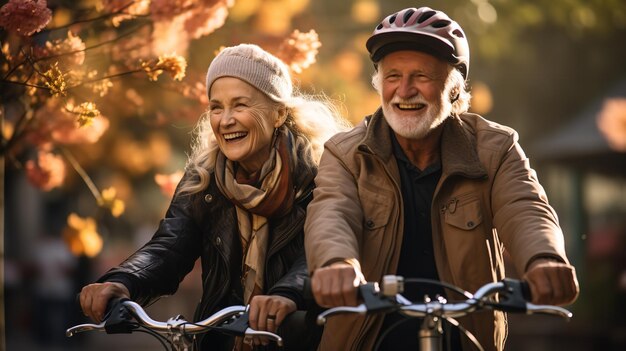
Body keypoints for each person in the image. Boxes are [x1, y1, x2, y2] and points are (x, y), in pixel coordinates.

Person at [304, 6, 579, 351]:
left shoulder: (495, 148)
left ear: (454, 88)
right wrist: (336, 263)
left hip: (465, 339)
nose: (404, 91)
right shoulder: (346, 153)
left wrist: (545, 259)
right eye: (392, 77)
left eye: (421, 76)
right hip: (366, 340)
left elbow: (524, 207)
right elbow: (332, 212)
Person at [79, 43, 349, 350]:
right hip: (221, 340)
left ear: (278, 114)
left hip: (300, 338)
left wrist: (287, 294)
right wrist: (123, 280)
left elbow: (322, 250)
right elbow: (169, 246)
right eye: (216, 107)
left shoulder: (319, 175)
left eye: (240, 105)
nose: (225, 120)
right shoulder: (203, 180)